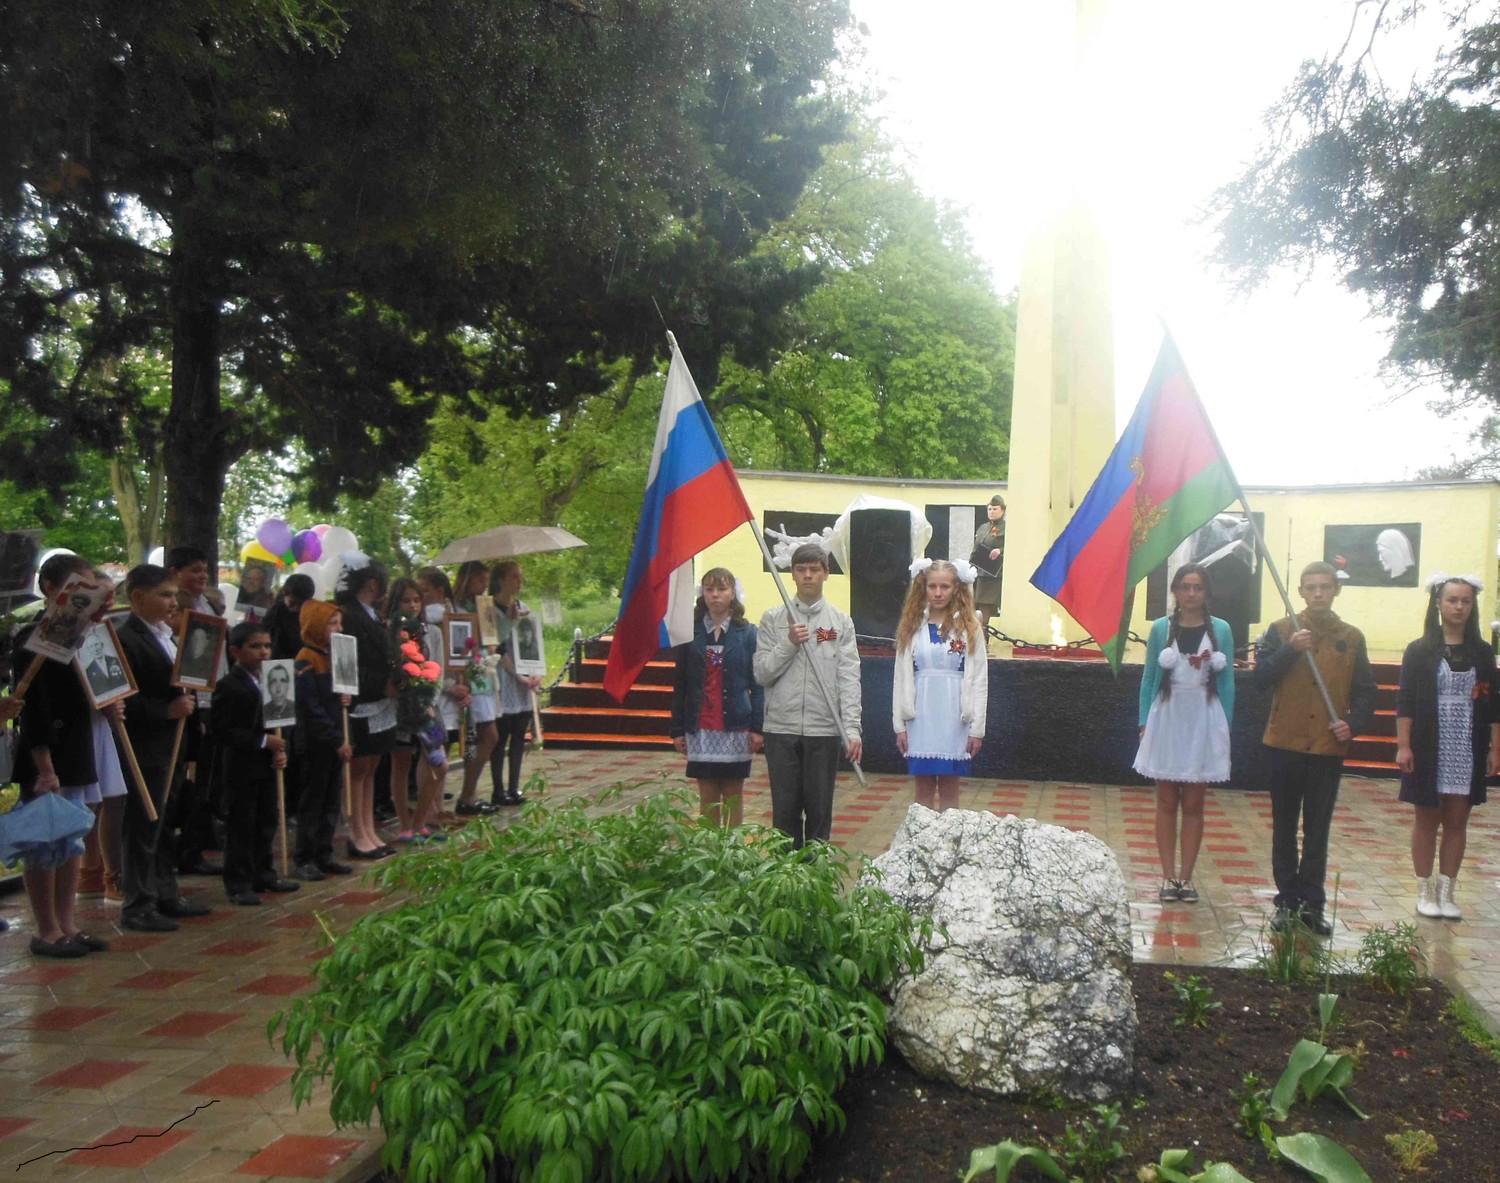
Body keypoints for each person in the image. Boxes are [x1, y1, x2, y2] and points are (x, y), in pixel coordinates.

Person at [1254, 561, 1376, 936]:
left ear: (1336, 589)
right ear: (1301, 592)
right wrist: (1290, 650)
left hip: (1325, 747)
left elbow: (1366, 692)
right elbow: (1259, 678)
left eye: (1325, 586)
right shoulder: (1280, 631)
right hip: (1284, 743)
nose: (1318, 593)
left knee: (1318, 828)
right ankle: (1287, 901)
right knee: (1285, 826)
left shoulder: (1351, 637)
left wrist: (1353, 724)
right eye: (1311, 587)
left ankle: (1313, 904)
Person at [11, 552, 114, 957]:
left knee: (71, 841)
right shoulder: (33, 640)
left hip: (75, 745)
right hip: (47, 754)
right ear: (53, 590)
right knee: (44, 842)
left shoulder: (81, 637)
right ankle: (46, 928)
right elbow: (35, 708)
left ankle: (67, 922)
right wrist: (45, 767)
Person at [114, 563, 212, 931]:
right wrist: (166, 711)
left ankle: (165, 891)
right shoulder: (127, 638)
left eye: (174, 595)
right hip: (146, 745)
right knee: (143, 822)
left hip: (173, 743)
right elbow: (122, 698)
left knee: (166, 819)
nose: (174, 602)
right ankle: (137, 902)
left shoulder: (168, 635)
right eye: (166, 594)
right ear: (139, 597)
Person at [1395, 573, 1499, 920]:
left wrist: (1494, 748)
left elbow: (1494, 704)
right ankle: (1424, 889)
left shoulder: (1483, 652)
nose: (1459, 607)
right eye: (1452, 600)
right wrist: (1404, 745)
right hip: (1428, 743)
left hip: (1468, 743)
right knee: (1426, 818)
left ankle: (1447, 890)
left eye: (1465, 601)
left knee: (1458, 819)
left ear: (1473, 606)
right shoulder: (1419, 649)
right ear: (1438, 603)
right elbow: (1406, 701)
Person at [1134, 563, 1236, 904]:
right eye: (1185, 587)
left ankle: (1188, 877)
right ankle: (1167, 876)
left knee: (1194, 801)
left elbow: (1227, 682)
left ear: (1206, 593)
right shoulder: (1161, 629)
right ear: (1175, 592)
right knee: (1166, 799)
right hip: (1167, 716)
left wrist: (1225, 728)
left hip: (1204, 719)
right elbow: (1149, 679)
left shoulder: (1220, 629)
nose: (1191, 594)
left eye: (1198, 588)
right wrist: (1144, 722)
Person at [753, 543, 862, 848]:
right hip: (781, 729)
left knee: (819, 812)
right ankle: (784, 883)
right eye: (801, 569)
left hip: (824, 729)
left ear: (826, 573)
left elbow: (849, 678)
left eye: (815, 569)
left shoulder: (840, 624)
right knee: (784, 813)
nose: (808, 575)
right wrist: (789, 643)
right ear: (792, 575)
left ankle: (815, 881)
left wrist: (851, 728)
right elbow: (762, 673)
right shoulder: (773, 619)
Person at [212, 622, 298, 904]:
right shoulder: (229, 685)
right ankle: (238, 882)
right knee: (242, 823)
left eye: (266, 646)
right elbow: (224, 730)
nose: (263, 652)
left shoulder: (272, 679)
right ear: (236, 651)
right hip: (241, 766)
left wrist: (279, 748)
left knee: (267, 819)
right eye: (255, 646)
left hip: (265, 764)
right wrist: (262, 742)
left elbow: (278, 720)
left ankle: (264, 873)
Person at [892, 558, 987, 813]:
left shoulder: (969, 628)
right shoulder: (912, 627)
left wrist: (977, 728)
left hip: (954, 717)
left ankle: (949, 844)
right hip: (920, 716)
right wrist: (899, 725)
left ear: (956, 588)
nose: (937, 593)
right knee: (922, 787)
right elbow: (900, 678)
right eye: (932, 586)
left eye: (944, 586)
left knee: (949, 786)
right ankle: (922, 843)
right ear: (923, 587)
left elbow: (979, 679)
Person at [671, 569, 764, 827]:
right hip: (700, 727)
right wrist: (677, 730)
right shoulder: (690, 633)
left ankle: (733, 851)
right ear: (703, 594)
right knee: (708, 797)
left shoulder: (748, 634)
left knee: (733, 795)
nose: (715, 595)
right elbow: (680, 684)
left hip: (735, 725)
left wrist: (758, 727)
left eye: (722, 589)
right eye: (710, 590)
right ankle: (709, 850)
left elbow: (758, 684)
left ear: (733, 593)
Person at [333, 557, 397, 858]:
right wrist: (379, 683)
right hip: (362, 699)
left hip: (380, 700)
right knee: (359, 769)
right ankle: (356, 831)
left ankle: (368, 827)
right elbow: (351, 662)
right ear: (372, 585)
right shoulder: (350, 616)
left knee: (371, 766)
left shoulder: (372, 615)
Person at [291, 599, 354, 880]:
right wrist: (334, 738)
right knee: (313, 800)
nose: (338, 628)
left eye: (339, 623)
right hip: (316, 741)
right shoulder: (306, 659)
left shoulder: (334, 655)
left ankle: (324, 852)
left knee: (331, 799)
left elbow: (332, 698)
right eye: (332, 623)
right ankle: (304, 857)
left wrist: (344, 698)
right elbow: (310, 706)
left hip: (334, 738)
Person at [386, 578, 448, 841]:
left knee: (439, 764)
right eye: (406, 600)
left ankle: (421, 820)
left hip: (427, 705)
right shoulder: (391, 632)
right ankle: (404, 825)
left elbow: (438, 667)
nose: (412, 605)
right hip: (400, 705)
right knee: (401, 763)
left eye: (416, 600)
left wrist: (430, 700)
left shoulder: (430, 631)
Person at [489, 562, 540, 808]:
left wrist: (535, 672)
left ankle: (514, 786)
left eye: (520, 577)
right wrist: (516, 674)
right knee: (500, 736)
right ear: (500, 580)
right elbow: (494, 645)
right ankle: (498, 789)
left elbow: (531, 644)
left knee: (519, 734)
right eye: (513, 577)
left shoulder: (524, 609)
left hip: (523, 679)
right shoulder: (489, 609)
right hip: (501, 675)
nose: (519, 582)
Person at [453, 560, 499, 817]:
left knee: (485, 736)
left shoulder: (484, 606)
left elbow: (493, 639)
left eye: (486, 581)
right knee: (483, 736)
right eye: (480, 580)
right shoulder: (457, 607)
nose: (483, 586)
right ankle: (467, 793)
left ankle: (469, 792)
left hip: (484, 674)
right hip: (469, 677)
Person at [969, 494, 1006, 630]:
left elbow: (1014, 547)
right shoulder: (983, 528)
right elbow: (976, 547)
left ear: (1002, 511)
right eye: (989, 509)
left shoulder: (1006, 528)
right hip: (978, 573)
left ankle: (984, 640)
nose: (991, 512)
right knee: (973, 607)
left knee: (986, 611)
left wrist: (1000, 551)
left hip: (993, 576)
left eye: (995, 509)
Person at [263, 572, 315, 661]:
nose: (296, 608)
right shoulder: (275, 613)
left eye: (301, 604)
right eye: (292, 603)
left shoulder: (311, 612)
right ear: (284, 593)